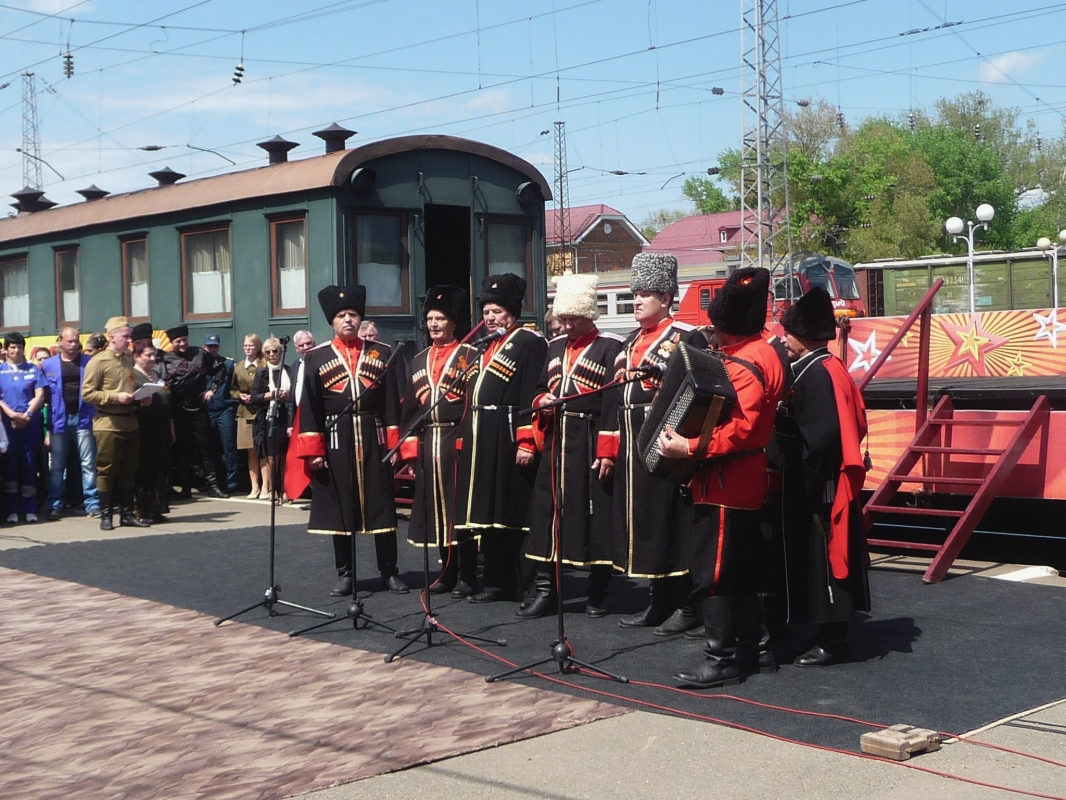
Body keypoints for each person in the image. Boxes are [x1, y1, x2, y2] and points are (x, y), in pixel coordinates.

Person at [666, 267, 785, 689]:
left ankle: (722, 659)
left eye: (716, 329)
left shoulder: (748, 361)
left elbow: (744, 429)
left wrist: (689, 448)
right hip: (738, 478)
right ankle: (758, 649)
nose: (713, 337)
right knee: (741, 569)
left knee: (713, 571)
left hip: (726, 480)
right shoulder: (763, 352)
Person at [609, 253, 706, 632]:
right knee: (644, 522)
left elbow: (697, 391)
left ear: (666, 298)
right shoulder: (629, 341)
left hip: (666, 440)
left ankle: (686, 604)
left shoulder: (685, 336)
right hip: (631, 440)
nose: (636, 301)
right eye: (634, 294)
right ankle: (657, 599)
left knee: (670, 521)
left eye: (645, 294)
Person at [776, 287, 871, 668]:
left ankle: (833, 638)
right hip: (818, 475)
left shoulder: (817, 373)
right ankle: (824, 630)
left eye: (789, 334)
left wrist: (808, 479)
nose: (783, 340)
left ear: (806, 336)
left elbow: (825, 435)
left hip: (821, 481)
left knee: (826, 559)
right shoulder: (820, 367)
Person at [292, 285, 408, 595]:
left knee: (382, 504)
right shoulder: (316, 358)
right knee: (340, 506)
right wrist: (314, 450)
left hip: (374, 435)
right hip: (336, 438)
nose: (348, 320)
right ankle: (346, 573)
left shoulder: (381, 352)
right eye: (342, 315)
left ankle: (389, 571)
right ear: (332, 321)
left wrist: (394, 443)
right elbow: (310, 408)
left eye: (353, 315)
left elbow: (390, 404)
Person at [521, 273, 622, 618]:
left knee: (596, 515)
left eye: (572, 319)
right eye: (562, 319)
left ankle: (599, 592)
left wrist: (607, 450)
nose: (565, 325)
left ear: (588, 314)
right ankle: (547, 591)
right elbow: (535, 389)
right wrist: (542, 400)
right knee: (547, 513)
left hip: (591, 438)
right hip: (556, 440)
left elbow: (613, 403)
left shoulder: (611, 347)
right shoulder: (553, 348)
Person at [454, 273, 547, 604]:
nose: (490, 318)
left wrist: (525, 440)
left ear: (513, 312)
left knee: (513, 513)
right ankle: (495, 582)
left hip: (508, 434)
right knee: (487, 512)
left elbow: (529, 393)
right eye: (487, 312)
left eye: (497, 311)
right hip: (482, 437)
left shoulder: (529, 342)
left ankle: (527, 585)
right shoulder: (484, 346)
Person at [399, 285, 480, 596]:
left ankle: (468, 574)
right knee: (436, 509)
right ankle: (447, 571)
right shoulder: (418, 360)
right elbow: (409, 410)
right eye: (430, 319)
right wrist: (409, 451)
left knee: (459, 508)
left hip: (456, 439)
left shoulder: (470, 356)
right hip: (429, 439)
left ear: (453, 322)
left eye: (440, 319)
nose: (433, 324)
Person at [81, 317, 148, 531]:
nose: (129, 340)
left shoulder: (127, 359)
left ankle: (127, 514)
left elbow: (130, 387)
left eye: (129, 336)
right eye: (125, 336)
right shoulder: (98, 361)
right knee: (106, 470)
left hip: (130, 421)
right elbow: (87, 393)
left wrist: (142, 397)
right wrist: (114, 397)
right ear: (112, 337)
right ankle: (106, 515)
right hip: (108, 423)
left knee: (129, 470)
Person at [159, 324, 229, 499]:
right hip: (177, 408)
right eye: (178, 341)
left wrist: (212, 389)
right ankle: (186, 488)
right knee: (181, 449)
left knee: (206, 447)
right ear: (172, 342)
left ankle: (213, 485)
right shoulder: (165, 359)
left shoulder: (200, 353)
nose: (182, 343)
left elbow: (220, 370)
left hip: (198, 407)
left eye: (184, 340)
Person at [41, 327, 99, 521]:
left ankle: (92, 503)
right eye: (69, 341)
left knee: (88, 464)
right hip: (58, 420)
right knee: (57, 466)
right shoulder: (48, 365)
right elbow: (43, 395)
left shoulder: (88, 362)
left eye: (76, 341)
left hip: (83, 417)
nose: (74, 345)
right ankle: (55, 505)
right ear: (60, 342)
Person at [0, 332, 47, 523]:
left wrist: (27, 415)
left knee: (28, 464)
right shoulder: (1, 370)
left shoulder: (33, 369)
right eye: (12, 347)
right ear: (7, 349)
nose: (16, 350)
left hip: (29, 424)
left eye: (19, 346)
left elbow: (40, 395)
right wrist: (11, 414)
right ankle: (12, 509)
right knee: (10, 465)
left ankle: (29, 508)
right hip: (7, 425)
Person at [132, 341, 173, 524]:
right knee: (145, 468)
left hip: (161, 427)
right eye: (147, 355)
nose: (151, 358)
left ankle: (157, 508)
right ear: (137, 356)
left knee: (160, 467)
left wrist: (171, 427)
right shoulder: (132, 376)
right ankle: (142, 509)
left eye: (153, 355)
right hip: (143, 427)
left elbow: (167, 403)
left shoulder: (156, 374)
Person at [250, 337, 291, 504]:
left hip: (286, 415)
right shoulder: (262, 372)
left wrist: (287, 395)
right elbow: (254, 397)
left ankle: (286, 489)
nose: (272, 354)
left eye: (275, 351)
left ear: (281, 352)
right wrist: (271, 395)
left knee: (286, 456)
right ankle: (273, 489)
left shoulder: (289, 370)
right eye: (268, 352)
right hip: (269, 417)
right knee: (272, 456)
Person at [204, 334, 239, 495]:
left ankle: (232, 482)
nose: (212, 349)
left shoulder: (228, 364)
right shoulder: (200, 365)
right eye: (209, 346)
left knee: (229, 447)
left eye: (215, 346)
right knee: (211, 449)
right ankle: (215, 481)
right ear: (204, 347)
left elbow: (235, 386)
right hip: (207, 411)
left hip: (225, 409)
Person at [232, 334, 266, 498]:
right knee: (250, 452)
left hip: (261, 411)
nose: (248, 348)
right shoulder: (238, 367)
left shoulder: (264, 364)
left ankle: (267, 487)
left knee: (264, 451)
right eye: (245, 345)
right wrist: (240, 396)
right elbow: (233, 388)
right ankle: (255, 487)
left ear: (258, 347)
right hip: (244, 412)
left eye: (251, 346)